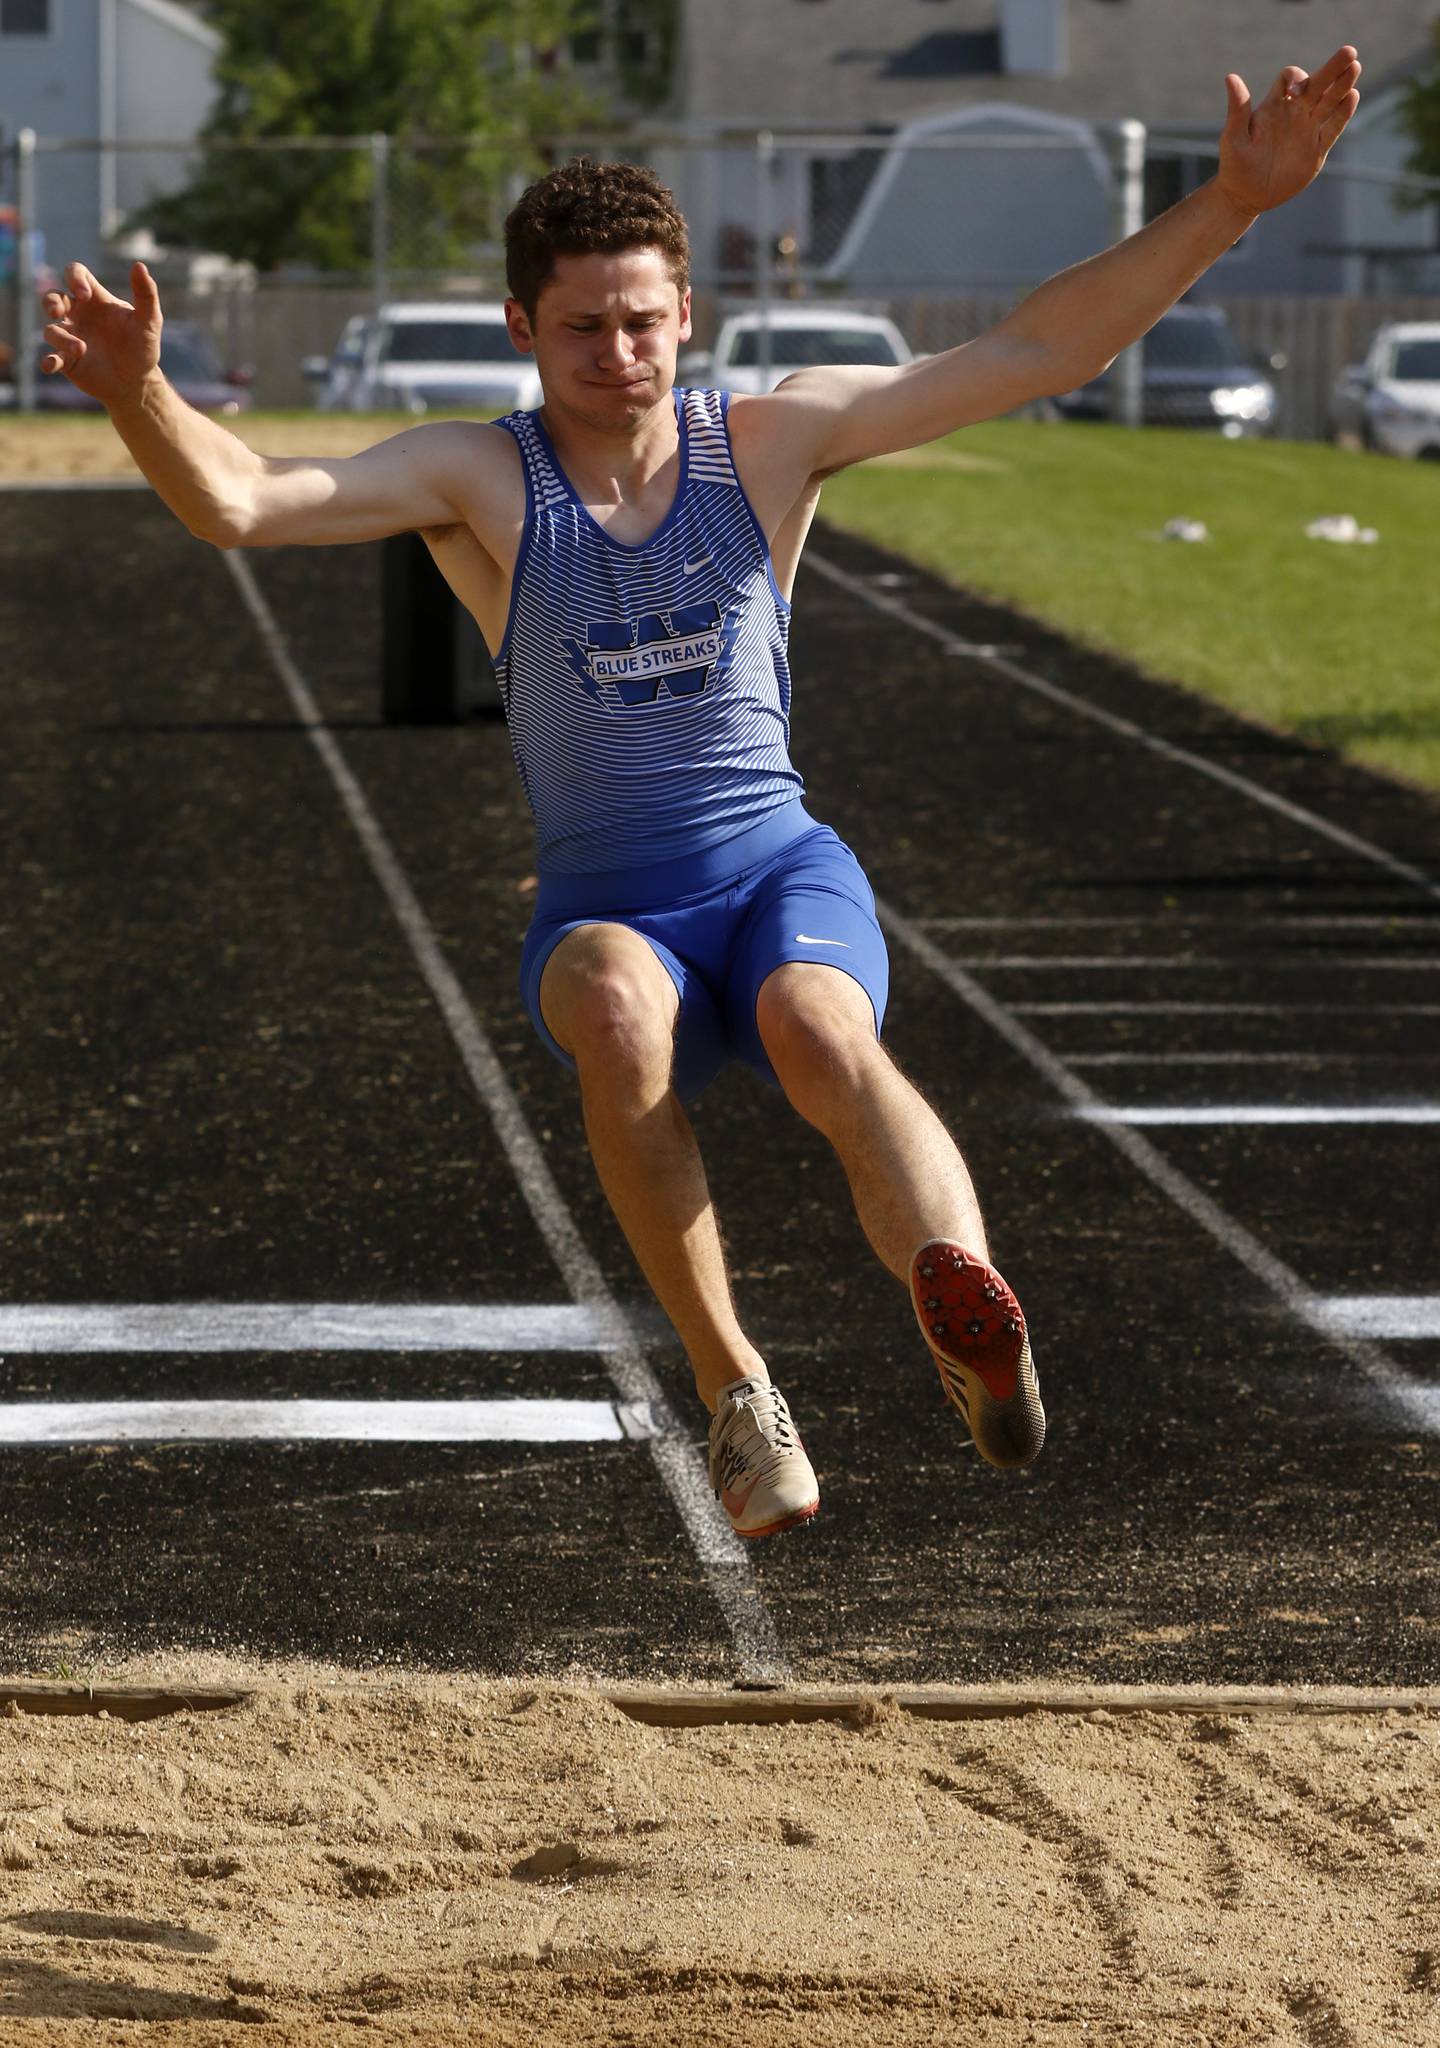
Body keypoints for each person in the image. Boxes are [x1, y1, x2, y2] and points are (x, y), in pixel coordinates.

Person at [41, 48, 1360, 1539]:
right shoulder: (483, 477)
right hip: (612, 902)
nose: (621, 354)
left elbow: (1038, 351)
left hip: (776, 866)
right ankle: (739, 1394)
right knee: (610, 1004)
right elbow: (244, 501)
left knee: (815, 1024)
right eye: (587, 327)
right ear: (523, 329)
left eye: (646, 321)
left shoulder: (772, 438)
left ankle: (963, 1297)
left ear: (690, 314)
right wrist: (144, 391)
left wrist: (1235, 204)